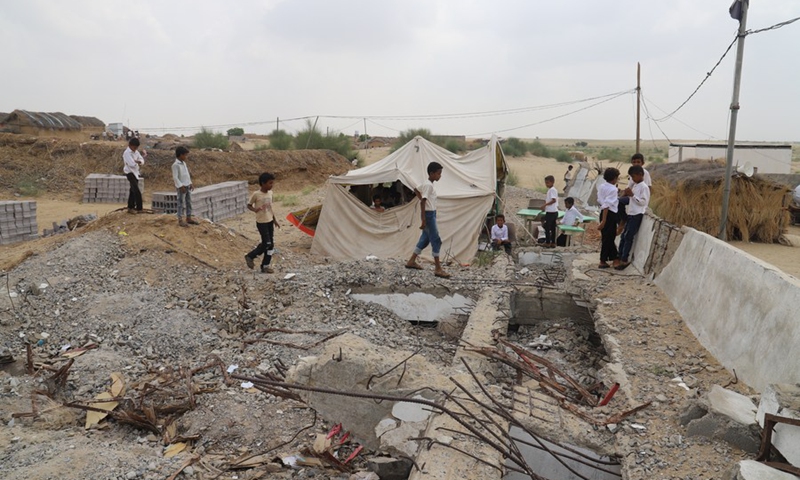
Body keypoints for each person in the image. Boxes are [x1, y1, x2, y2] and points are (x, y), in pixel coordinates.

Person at [405, 162, 450, 278]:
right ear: (432, 173)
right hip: (429, 215)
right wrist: (423, 220)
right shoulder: (428, 186)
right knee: (436, 240)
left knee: (425, 239)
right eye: (439, 173)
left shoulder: (427, 184)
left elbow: (416, 189)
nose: (440, 176)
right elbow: (423, 202)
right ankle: (438, 268)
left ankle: (411, 261)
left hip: (431, 213)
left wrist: (423, 201)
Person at [245, 173, 281, 274]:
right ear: (263, 183)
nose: (271, 185)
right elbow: (249, 205)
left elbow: (270, 208)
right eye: (270, 183)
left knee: (271, 245)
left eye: (272, 183)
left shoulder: (270, 193)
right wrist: (255, 209)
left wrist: (274, 220)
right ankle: (250, 256)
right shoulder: (256, 194)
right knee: (267, 243)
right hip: (261, 222)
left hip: (269, 221)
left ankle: (265, 266)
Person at [617, 165, 650, 270]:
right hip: (631, 213)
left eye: (634, 177)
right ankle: (619, 255)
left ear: (640, 175)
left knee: (628, 237)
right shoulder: (636, 185)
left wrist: (632, 196)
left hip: (637, 214)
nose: (633, 179)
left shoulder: (644, 187)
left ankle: (624, 259)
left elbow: (643, 202)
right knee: (624, 236)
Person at [617, 153, 652, 234]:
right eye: (634, 162)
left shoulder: (644, 173)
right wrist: (622, 196)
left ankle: (623, 221)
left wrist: (646, 200)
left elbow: (649, 186)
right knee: (618, 202)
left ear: (642, 163)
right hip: (633, 196)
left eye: (638, 162)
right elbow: (629, 188)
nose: (636, 164)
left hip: (639, 197)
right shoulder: (633, 173)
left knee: (619, 202)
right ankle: (621, 221)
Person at [597, 168, 621, 269]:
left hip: (603, 212)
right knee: (609, 238)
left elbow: (600, 200)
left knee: (607, 237)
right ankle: (604, 260)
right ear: (614, 178)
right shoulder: (613, 189)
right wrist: (604, 220)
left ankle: (613, 258)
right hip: (609, 215)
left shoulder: (602, 186)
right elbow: (607, 204)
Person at [172, 146, 200, 227]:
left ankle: (188, 217)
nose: (186, 157)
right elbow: (175, 177)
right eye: (185, 155)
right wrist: (181, 186)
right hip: (182, 187)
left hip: (187, 185)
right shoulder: (175, 165)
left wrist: (190, 183)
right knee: (180, 203)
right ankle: (180, 219)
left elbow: (186, 175)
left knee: (188, 202)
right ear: (180, 155)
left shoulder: (184, 163)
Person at [122, 138, 145, 214]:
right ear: (130, 145)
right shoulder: (127, 153)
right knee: (136, 190)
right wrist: (137, 162)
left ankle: (130, 207)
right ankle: (139, 208)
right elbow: (131, 164)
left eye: (136, 148)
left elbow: (141, 160)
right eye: (134, 147)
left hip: (136, 173)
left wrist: (138, 162)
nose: (135, 149)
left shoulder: (136, 152)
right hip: (129, 172)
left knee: (132, 190)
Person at [542, 175, 559, 248]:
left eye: (548, 183)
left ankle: (548, 242)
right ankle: (553, 242)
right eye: (546, 183)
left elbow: (553, 200)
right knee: (552, 228)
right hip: (554, 211)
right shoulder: (552, 190)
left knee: (547, 227)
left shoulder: (552, 190)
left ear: (552, 182)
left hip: (551, 212)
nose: (546, 184)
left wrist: (545, 205)